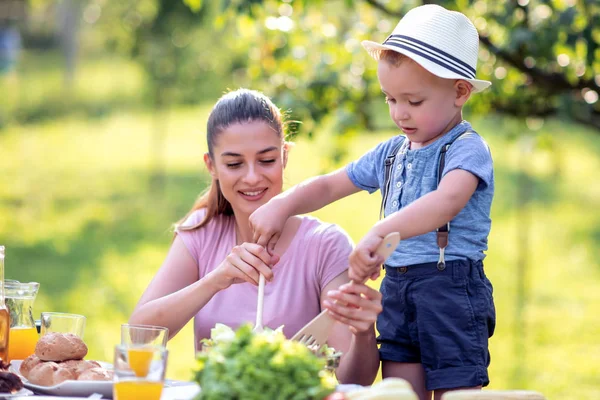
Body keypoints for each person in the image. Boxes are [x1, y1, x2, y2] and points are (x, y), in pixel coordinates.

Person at [249, 5, 496, 400]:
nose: (400, 113)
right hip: (397, 289)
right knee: (400, 391)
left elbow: (447, 201)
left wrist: (383, 229)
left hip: (449, 288)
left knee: (456, 392)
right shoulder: (391, 152)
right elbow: (332, 185)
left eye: (414, 101)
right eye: (390, 99)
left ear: (460, 91)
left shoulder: (466, 149)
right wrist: (284, 203)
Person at [129, 88, 382, 385]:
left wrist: (363, 334)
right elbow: (138, 335)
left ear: (284, 156)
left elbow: (354, 381)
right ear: (211, 166)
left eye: (266, 160)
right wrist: (216, 279)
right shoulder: (201, 232)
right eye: (234, 164)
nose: (252, 177)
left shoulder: (325, 245)